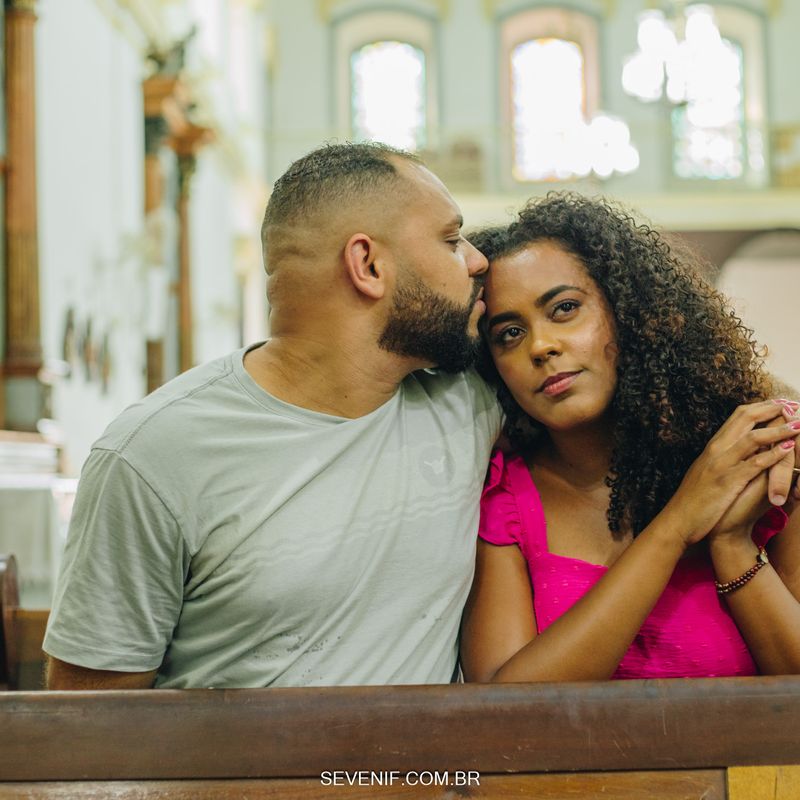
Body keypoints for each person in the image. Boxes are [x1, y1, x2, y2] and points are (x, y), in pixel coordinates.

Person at [43, 142, 502, 689]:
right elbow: (94, 722)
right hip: (237, 774)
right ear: (368, 264)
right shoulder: (153, 456)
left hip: (423, 779)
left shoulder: (471, 401)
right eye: (451, 240)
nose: (478, 260)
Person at [461, 192, 800, 682]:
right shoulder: (505, 495)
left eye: (564, 309)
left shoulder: (756, 458)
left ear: (629, 310)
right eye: (509, 333)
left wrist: (732, 545)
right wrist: (677, 523)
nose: (541, 346)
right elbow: (507, 709)